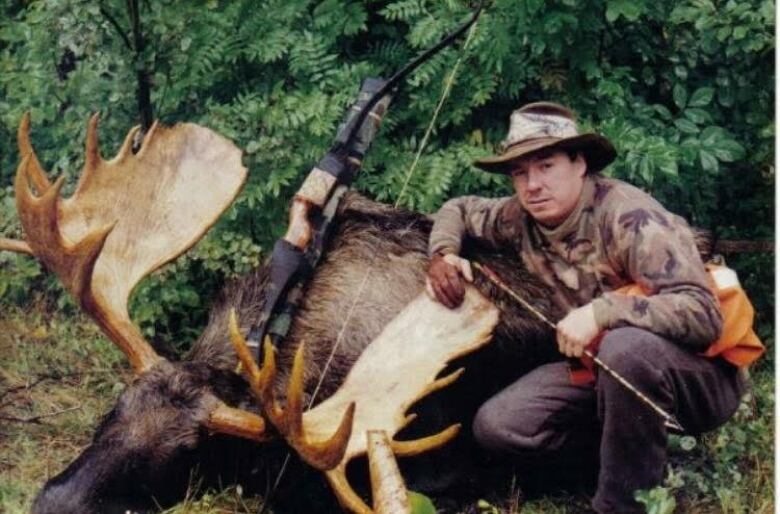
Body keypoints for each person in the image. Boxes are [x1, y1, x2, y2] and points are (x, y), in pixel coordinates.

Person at [425, 102, 747, 513]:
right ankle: (638, 458)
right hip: (602, 370)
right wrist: (444, 254)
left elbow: (703, 314)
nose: (532, 185)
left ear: (580, 164)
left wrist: (602, 313)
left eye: (545, 166)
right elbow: (459, 209)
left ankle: (621, 504)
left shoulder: (631, 217)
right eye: (519, 173)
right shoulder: (518, 218)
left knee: (625, 349)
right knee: (499, 426)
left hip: (700, 377)